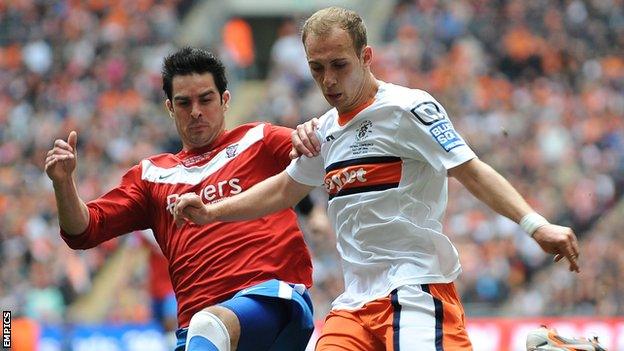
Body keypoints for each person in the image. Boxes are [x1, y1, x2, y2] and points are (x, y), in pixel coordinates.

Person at [172, 7, 582, 351]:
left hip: (415, 286)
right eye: (317, 68)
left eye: (339, 65)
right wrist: (211, 212)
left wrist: (536, 224)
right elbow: (284, 188)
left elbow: (470, 169)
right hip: (353, 303)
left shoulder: (409, 108)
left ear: (366, 56)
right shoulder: (325, 130)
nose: (328, 80)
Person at [44, 47, 315, 351]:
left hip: (271, 303)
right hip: (197, 329)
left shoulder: (258, 140)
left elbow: (314, 156)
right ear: (170, 108)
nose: (196, 111)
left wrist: (307, 135)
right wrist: (64, 183)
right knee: (207, 328)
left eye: (206, 99)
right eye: (184, 103)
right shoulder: (151, 176)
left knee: (210, 325)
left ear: (225, 101)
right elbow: (83, 231)